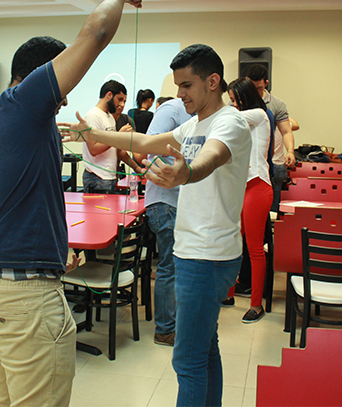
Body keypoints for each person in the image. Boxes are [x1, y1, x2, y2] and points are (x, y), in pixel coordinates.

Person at [0, 0, 147, 407]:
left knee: (3, 400)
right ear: (43, 74)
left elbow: (16, 203)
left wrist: (54, 246)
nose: (64, 98)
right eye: (62, 83)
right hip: (25, 296)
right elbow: (95, 34)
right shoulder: (23, 105)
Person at [61, 43, 252, 407]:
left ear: (213, 82)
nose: (180, 94)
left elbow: (212, 158)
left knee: (188, 360)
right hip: (197, 251)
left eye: (187, 85)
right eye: (178, 86)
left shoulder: (230, 123)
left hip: (208, 255)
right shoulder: (195, 124)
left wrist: (187, 172)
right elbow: (145, 140)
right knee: (205, 348)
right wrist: (93, 135)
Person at [224, 78, 274, 323]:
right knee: (235, 244)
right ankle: (228, 294)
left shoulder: (259, 115)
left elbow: (228, 118)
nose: (233, 105)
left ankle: (256, 305)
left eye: (235, 100)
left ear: (245, 97)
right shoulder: (241, 119)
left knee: (254, 248)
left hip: (258, 186)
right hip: (241, 187)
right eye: (231, 101)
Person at [142, 98, 192, 346]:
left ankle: (171, 324)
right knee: (169, 267)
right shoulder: (172, 109)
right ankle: (164, 330)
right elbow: (149, 146)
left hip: (180, 202)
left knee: (175, 266)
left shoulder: (195, 116)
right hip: (164, 201)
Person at [245, 64, 295, 213]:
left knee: (270, 211)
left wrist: (290, 151)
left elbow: (286, 131)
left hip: (270, 162)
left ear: (266, 83)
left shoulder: (276, 104)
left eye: (259, 88)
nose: (255, 92)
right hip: (245, 162)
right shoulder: (239, 102)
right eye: (252, 87)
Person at [81, 80, 128, 192]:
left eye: (124, 101)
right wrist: (117, 136)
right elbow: (93, 149)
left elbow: (113, 146)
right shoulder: (93, 116)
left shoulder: (110, 117)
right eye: (120, 99)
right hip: (97, 178)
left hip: (108, 177)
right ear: (109, 95)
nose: (122, 104)